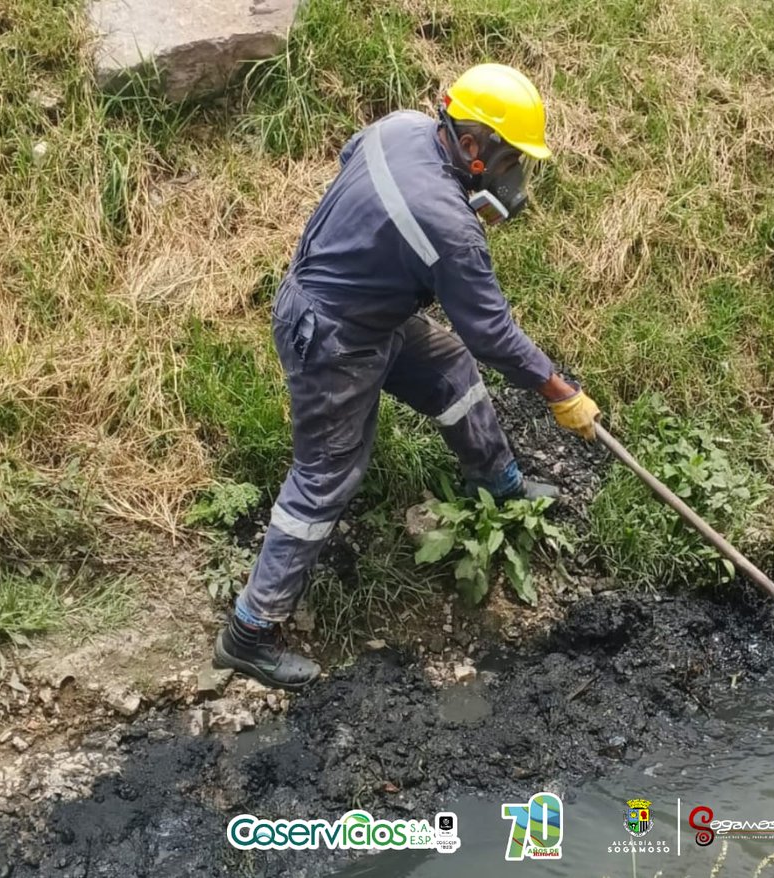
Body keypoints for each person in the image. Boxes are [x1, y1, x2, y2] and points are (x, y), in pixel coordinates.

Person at [212, 63, 602, 691]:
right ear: (471, 146)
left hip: (370, 310)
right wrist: (560, 392)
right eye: (510, 161)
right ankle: (249, 633)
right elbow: (493, 334)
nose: (513, 178)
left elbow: (350, 159)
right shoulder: (448, 226)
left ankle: (500, 484)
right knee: (325, 478)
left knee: (450, 369)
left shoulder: (400, 127)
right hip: (332, 335)